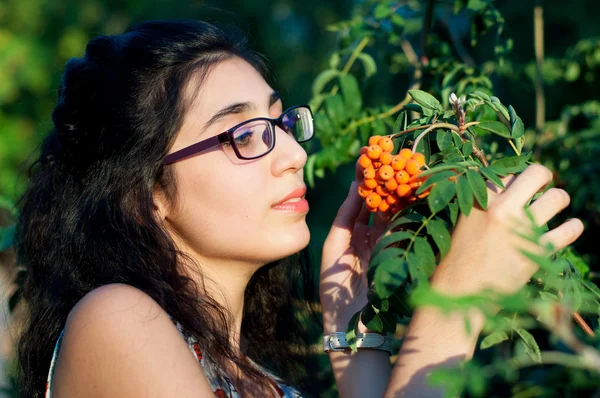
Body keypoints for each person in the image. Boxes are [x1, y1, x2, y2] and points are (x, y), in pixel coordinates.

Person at [13, 19, 583, 398]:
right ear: (145, 196)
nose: (292, 153)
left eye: (282, 124)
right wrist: (453, 305)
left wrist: (356, 331)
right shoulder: (113, 319)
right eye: (244, 134)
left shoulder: (255, 377)